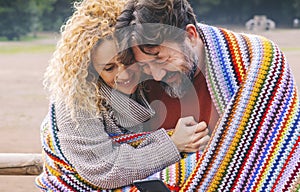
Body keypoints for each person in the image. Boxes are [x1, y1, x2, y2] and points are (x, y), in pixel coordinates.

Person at [115, 0, 300, 191]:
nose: (157, 75)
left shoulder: (256, 63)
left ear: (190, 35)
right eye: (145, 66)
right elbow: (111, 157)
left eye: (162, 59)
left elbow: (271, 156)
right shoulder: (139, 88)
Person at [35, 0, 210, 191]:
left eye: (129, 62)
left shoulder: (150, 80)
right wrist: (173, 145)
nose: (124, 75)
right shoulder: (75, 103)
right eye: (109, 68)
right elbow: (102, 170)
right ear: (90, 69)